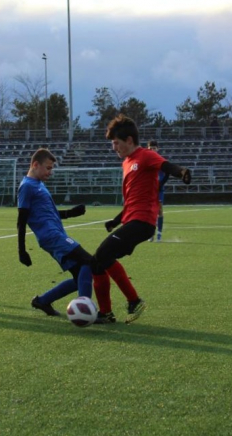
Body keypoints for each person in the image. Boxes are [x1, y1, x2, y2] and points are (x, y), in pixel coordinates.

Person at [92, 114, 192, 324]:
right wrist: (116, 220)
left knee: (101, 254)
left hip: (143, 221)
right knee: (100, 262)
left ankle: (134, 300)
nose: (113, 147)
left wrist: (181, 172)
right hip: (132, 220)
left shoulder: (145, 155)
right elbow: (131, 200)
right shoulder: (127, 163)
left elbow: (165, 165)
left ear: (129, 140)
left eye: (116, 143)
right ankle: (106, 313)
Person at [17, 148, 94, 316]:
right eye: (48, 168)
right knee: (89, 262)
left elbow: (48, 214)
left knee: (79, 277)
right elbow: (22, 220)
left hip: (56, 234)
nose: (50, 172)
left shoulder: (38, 184)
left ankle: (42, 301)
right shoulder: (27, 187)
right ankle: (85, 312)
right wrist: (21, 250)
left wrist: (71, 213)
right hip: (51, 236)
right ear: (35, 165)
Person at [147, 140, 170, 242]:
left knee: (159, 211)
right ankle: (151, 233)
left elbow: (167, 173)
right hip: (149, 189)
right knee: (149, 212)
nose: (152, 150)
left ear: (157, 149)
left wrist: (161, 184)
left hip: (159, 189)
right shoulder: (146, 161)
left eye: (154, 148)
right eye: (150, 148)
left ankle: (159, 234)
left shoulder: (161, 160)